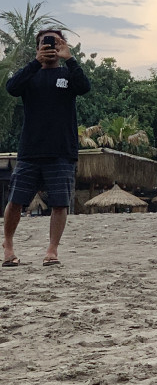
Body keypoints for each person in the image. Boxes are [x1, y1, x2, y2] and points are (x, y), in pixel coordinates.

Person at [2, 30, 91, 267]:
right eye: (45, 42)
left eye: (56, 42)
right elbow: (11, 88)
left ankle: (52, 250)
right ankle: (8, 246)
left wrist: (69, 58)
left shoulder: (68, 74)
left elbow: (84, 87)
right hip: (30, 150)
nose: (50, 46)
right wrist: (35, 62)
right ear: (37, 47)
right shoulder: (30, 75)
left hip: (62, 150)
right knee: (16, 201)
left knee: (60, 203)